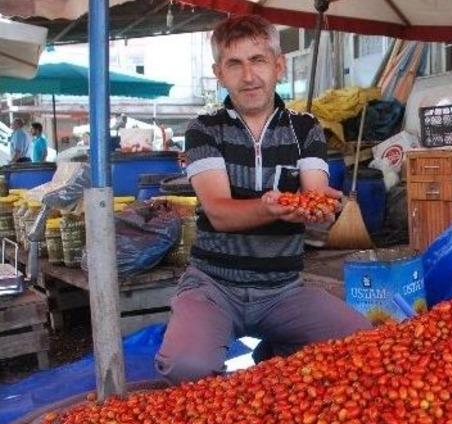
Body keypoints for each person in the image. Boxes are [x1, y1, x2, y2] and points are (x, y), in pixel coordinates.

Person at [155, 15, 370, 384]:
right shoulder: (204, 129)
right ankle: (272, 350)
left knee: (364, 345)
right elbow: (219, 213)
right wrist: (272, 207)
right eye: (234, 64)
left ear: (279, 66)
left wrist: (320, 209)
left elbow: (314, 198)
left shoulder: (306, 129)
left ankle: (272, 353)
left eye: (258, 60)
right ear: (219, 73)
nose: (249, 76)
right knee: (187, 368)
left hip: (283, 289)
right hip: (214, 286)